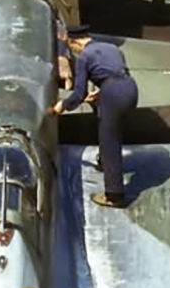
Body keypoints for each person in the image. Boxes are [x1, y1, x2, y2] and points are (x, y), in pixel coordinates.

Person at [49, 38, 138, 208]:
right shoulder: (112, 48)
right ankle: (105, 162)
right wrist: (101, 92)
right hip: (130, 89)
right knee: (113, 128)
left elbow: (79, 93)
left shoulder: (85, 56)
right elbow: (116, 73)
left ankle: (114, 195)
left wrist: (62, 106)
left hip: (114, 94)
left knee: (109, 141)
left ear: (76, 43)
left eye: (72, 47)